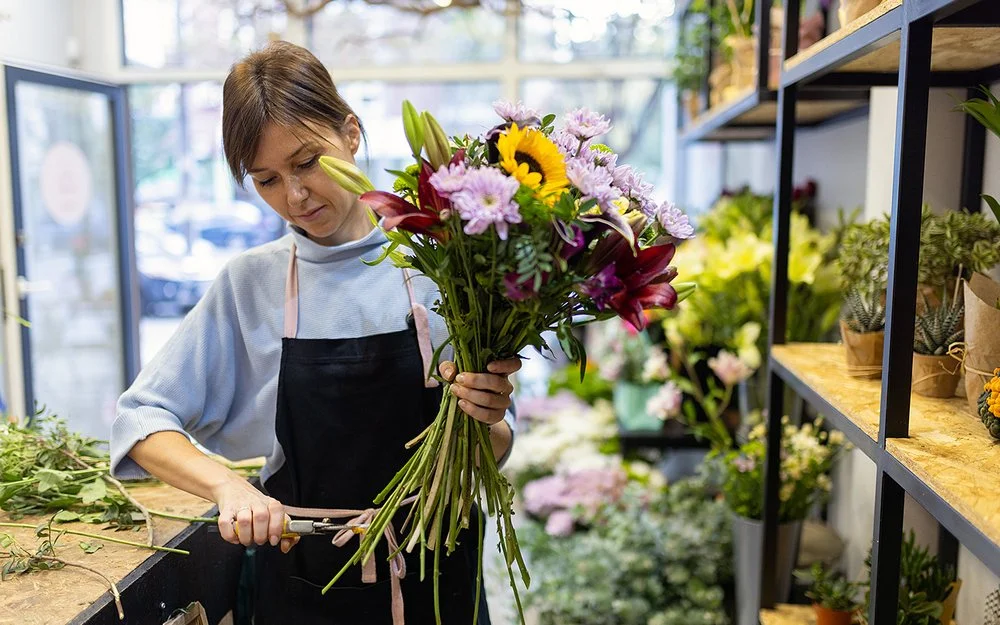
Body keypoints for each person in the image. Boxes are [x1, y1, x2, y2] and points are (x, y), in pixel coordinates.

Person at [110, 40, 518, 625]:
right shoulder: (251, 283)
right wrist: (229, 487)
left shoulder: (448, 264)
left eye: (306, 162)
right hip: (307, 582)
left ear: (350, 132)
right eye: (267, 179)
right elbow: (140, 419)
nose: (295, 196)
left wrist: (490, 418)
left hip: (440, 576)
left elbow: (497, 448)